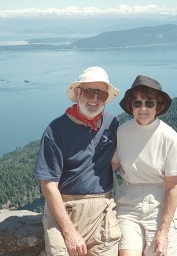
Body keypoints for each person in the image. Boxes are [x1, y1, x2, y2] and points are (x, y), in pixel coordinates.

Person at [34, 66, 122, 256]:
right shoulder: (56, 130)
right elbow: (49, 185)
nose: (94, 99)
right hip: (64, 211)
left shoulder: (111, 123)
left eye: (101, 95)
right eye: (89, 92)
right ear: (77, 93)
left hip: (102, 212)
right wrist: (69, 232)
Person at [111, 75, 177, 256]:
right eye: (137, 103)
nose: (143, 108)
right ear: (131, 106)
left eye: (149, 103)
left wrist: (163, 231)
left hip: (159, 205)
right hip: (129, 204)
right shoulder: (122, 132)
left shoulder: (169, 137)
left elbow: (172, 188)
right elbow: (109, 168)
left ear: (158, 106)